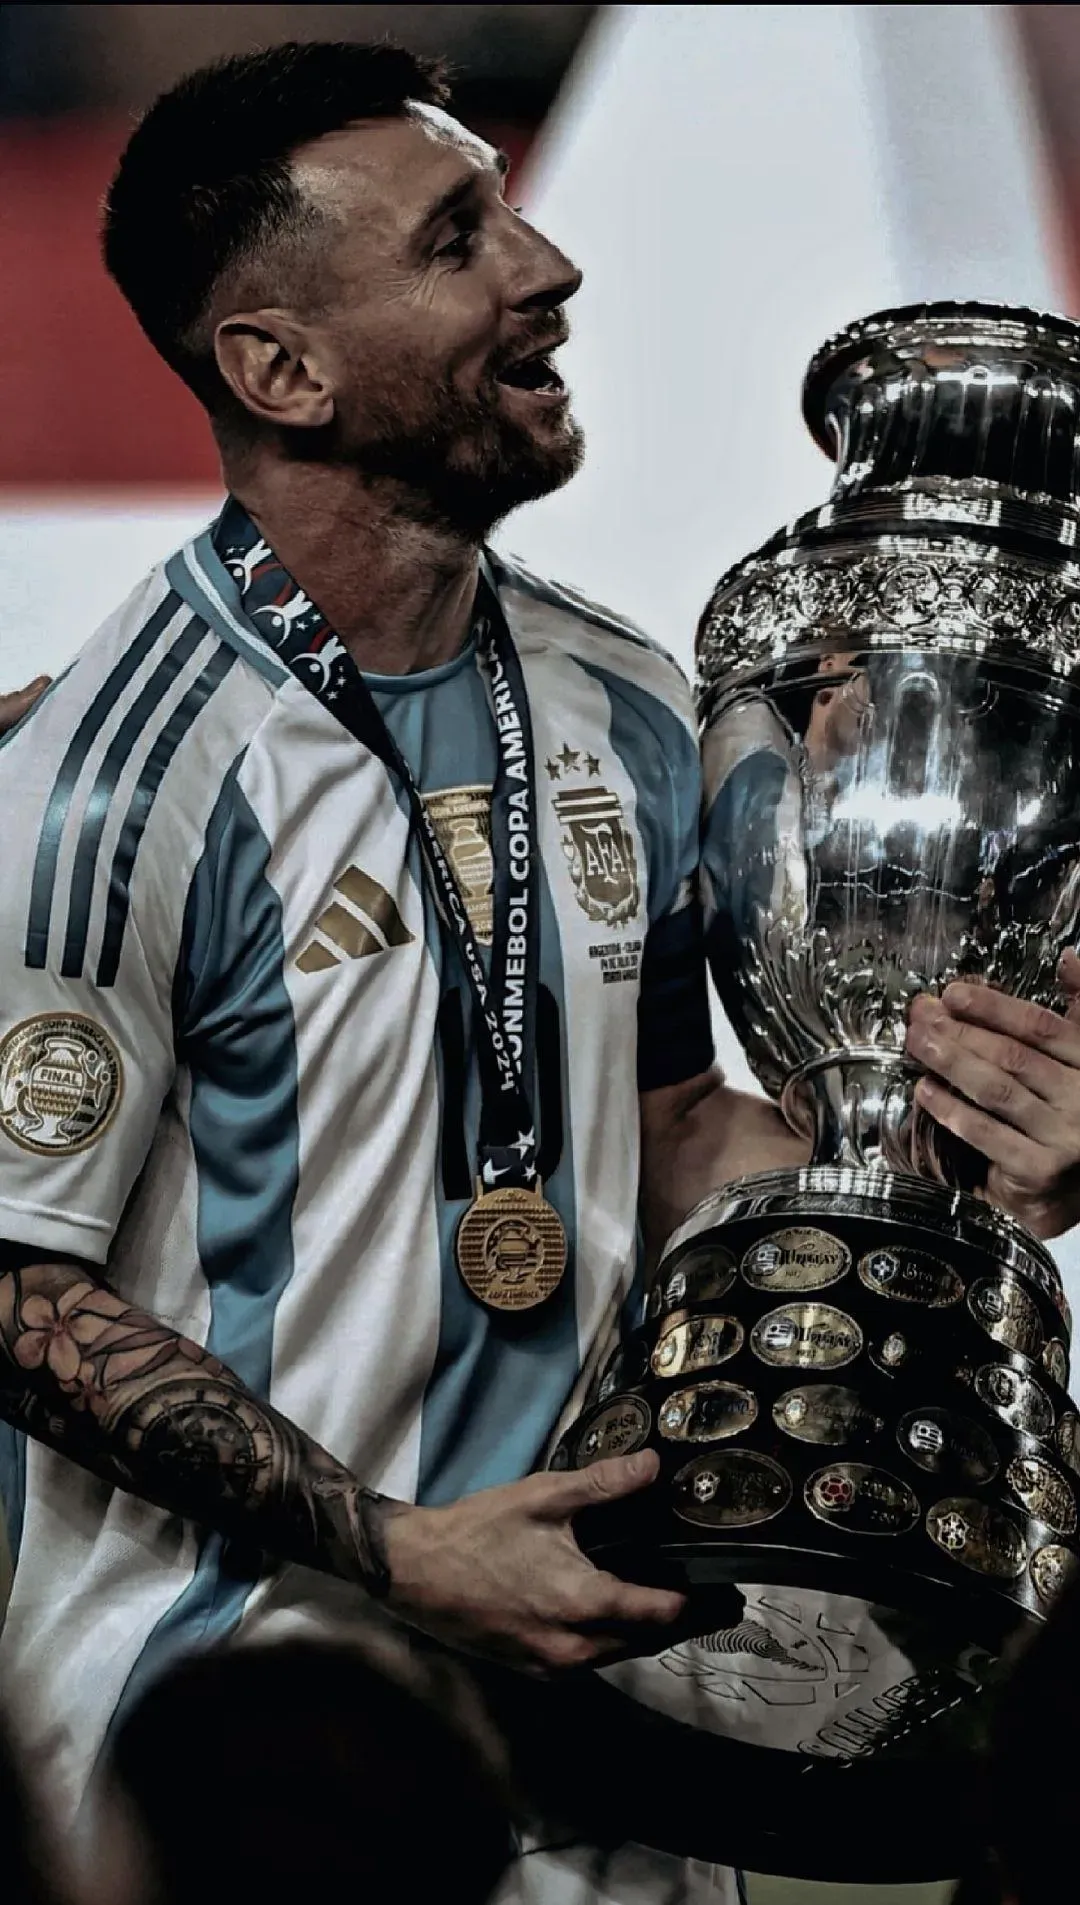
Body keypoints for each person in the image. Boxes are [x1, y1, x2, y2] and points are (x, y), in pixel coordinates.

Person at [1, 38, 1079, 1905]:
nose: (546, 267)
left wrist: (950, 1181)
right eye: (456, 239)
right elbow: (15, 1279)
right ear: (279, 367)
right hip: (230, 1763)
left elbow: (661, 1130)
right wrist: (412, 1553)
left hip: (593, 1753)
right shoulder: (109, 779)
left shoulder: (634, 707)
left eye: (507, 206)